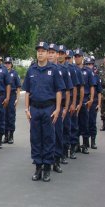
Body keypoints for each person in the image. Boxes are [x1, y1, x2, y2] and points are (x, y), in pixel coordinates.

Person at [22, 42, 65, 182]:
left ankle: (47, 167)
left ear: (47, 53)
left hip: (49, 108)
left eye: (43, 51)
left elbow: (59, 91)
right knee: (35, 138)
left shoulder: (54, 69)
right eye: (38, 51)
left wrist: (58, 109)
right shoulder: (31, 70)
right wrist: (27, 109)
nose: (40, 53)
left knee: (48, 137)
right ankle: (38, 167)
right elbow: (27, 91)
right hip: (34, 108)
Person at [48, 44, 71, 173]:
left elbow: (67, 91)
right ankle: (46, 160)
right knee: (45, 135)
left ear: (58, 55)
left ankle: (56, 160)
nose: (51, 54)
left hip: (58, 106)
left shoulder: (63, 70)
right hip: (45, 105)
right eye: (49, 52)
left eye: (53, 52)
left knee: (57, 133)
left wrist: (65, 108)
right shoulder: (41, 68)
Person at [58, 46, 79, 164]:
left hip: (67, 102)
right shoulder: (54, 67)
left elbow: (74, 88)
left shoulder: (70, 69)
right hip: (56, 103)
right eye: (59, 53)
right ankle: (57, 152)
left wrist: (73, 103)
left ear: (65, 55)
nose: (60, 55)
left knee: (66, 128)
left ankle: (65, 152)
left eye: (62, 53)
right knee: (57, 130)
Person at [74, 49, 95, 154]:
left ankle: (85, 145)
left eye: (79, 56)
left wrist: (91, 99)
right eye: (76, 56)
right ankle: (76, 145)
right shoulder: (72, 70)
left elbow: (92, 86)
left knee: (85, 122)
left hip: (85, 99)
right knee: (75, 123)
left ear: (82, 57)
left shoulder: (88, 71)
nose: (77, 58)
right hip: (75, 99)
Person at [65, 50, 85, 159]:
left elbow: (79, 88)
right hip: (63, 102)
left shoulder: (75, 70)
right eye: (66, 58)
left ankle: (73, 147)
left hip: (72, 102)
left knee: (73, 126)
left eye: (69, 58)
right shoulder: (59, 68)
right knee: (64, 128)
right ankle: (64, 148)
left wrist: (78, 103)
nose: (67, 60)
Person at [4, 57, 21, 144]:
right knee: (4, 115)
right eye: (6, 63)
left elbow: (18, 87)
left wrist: (17, 99)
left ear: (11, 64)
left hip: (12, 96)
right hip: (3, 96)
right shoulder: (2, 72)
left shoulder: (14, 73)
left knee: (10, 115)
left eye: (9, 63)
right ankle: (5, 135)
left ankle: (11, 135)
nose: (7, 64)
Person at [86, 57, 102, 149]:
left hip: (94, 102)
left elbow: (99, 92)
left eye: (90, 64)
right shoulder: (82, 74)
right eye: (87, 64)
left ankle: (93, 141)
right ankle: (85, 142)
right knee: (84, 122)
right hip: (85, 101)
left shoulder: (96, 77)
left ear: (93, 65)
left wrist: (99, 104)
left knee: (92, 122)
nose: (89, 66)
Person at [98, 55, 105, 131]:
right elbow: (99, 79)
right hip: (102, 92)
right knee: (102, 110)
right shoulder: (101, 68)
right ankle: (104, 125)